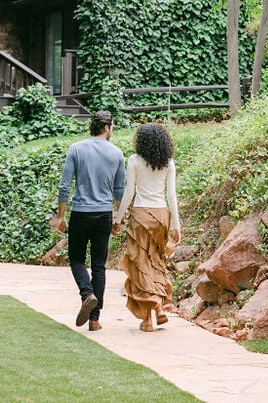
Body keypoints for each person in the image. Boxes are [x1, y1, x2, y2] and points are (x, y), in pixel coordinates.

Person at [56, 110, 125, 331]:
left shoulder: (76, 149)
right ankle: (94, 320)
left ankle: (87, 294)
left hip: (81, 213)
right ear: (107, 128)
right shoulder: (116, 153)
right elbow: (119, 190)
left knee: (76, 259)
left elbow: (65, 185)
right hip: (103, 214)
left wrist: (60, 216)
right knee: (99, 266)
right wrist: (119, 219)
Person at [113, 122, 180, 332]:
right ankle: (159, 308)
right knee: (157, 263)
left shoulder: (134, 160)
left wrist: (118, 218)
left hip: (141, 215)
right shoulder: (169, 162)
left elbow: (129, 192)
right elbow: (171, 195)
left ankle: (148, 320)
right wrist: (176, 224)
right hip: (161, 216)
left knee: (141, 265)